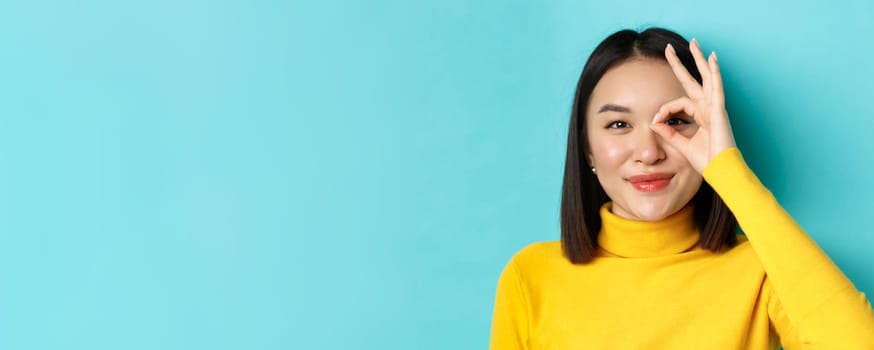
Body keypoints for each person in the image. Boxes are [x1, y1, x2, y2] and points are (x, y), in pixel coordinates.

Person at [488, 27, 874, 349]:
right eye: (619, 125)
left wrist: (727, 170)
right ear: (587, 147)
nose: (648, 152)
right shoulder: (531, 276)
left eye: (675, 120)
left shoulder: (762, 269)